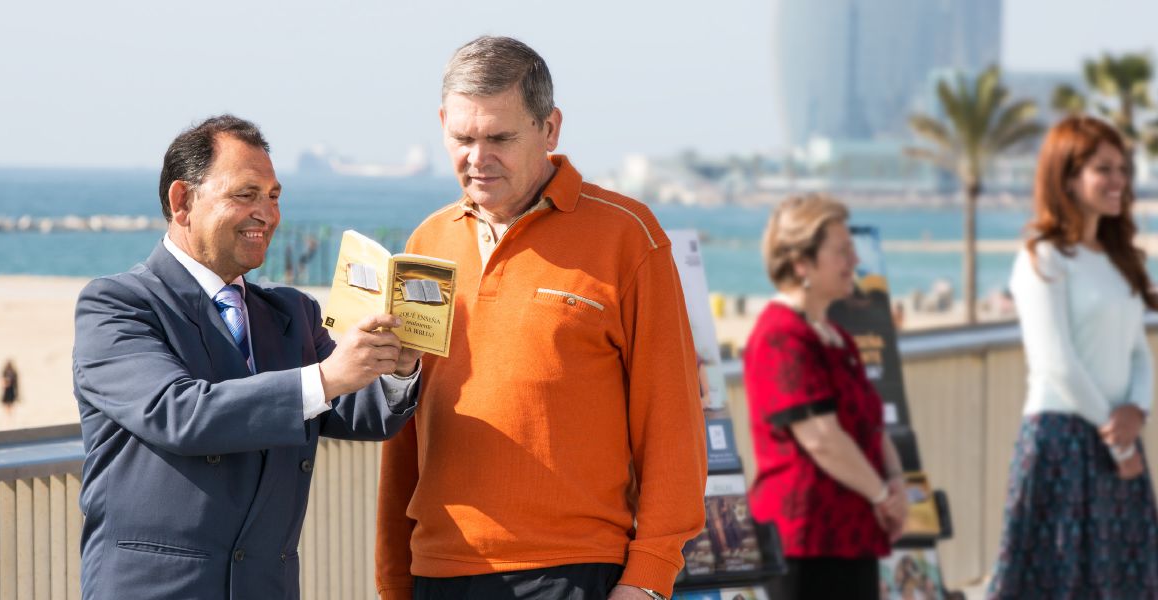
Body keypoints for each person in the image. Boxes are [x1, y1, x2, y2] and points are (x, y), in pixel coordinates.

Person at [375, 36, 707, 600]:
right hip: (438, 571)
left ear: (549, 129)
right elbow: (404, 432)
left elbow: (673, 424)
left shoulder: (629, 236)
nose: (477, 158)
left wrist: (648, 579)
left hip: (572, 572)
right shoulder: (426, 242)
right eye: (462, 138)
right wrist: (391, 580)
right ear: (441, 124)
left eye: (500, 137)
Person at [73, 115, 422, 600]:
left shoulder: (292, 312)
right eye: (246, 194)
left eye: (274, 196)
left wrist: (399, 366)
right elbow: (177, 413)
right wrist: (324, 378)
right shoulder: (116, 304)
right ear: (182, 202)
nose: (267, 213)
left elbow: (360, 414)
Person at [986, 116, 1158, 598]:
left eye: (1122, 169)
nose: (1118, 181)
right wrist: (1118, 438)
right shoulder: (1043, 257)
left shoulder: (1118, 259)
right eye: (1104, 169)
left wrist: (1136, 412)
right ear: (1067, 178)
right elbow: (1055, 362)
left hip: (1117, 439)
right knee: (1056, 581)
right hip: (1062, 441)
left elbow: (1138, 352)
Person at [743, 194, 907, 600]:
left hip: (851, 535)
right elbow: (821, 438)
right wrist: (884, 496)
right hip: (806, 542)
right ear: (802, 264)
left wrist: (898, 483)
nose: (854, 261)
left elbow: (869, 422)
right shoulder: (781, 335)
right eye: (842, 251)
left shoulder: (836, 337)